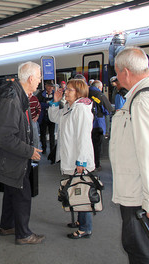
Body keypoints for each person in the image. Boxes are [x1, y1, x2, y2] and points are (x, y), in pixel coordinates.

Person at [0, 61, 45, 245]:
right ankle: (23, 234)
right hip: (11, 159)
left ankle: (7, 226)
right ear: (31, 78)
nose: (40, 81)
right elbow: (5, 137)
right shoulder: (12, 100)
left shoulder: (16, 95)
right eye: (39, 77)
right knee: (22, 195)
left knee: (11, 191)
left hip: (9, 158)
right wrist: (29, 150)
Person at [110, 47, 149, 264]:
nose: (117, 78)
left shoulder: (142, 101)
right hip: (139, 192)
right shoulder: (141, 96)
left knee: (142, 252)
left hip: (140, 196)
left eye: (117, 73)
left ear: (125, 72)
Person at [48, 79, 95, 239]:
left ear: (79, 92)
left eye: (69, 90)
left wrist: (81, 161)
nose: (65, 92)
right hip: (71, 157)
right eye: (66, 89)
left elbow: (84, 137)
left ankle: (85, 228)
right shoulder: (70, 107)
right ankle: (79, 221)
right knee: (76, 190)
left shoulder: (81, 109)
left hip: (78, 160)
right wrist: (55, 102)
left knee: (82, 191)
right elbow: (55, 119)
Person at [90, 80, 111, 171]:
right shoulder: (99, 95)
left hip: (87, 123)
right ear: (99, 87)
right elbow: (107, 109)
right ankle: (96, 164)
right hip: (98, 123)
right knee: (97, 146)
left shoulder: (86, 92)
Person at [37, 81, 55, 154]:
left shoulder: (55, 94)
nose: (50, 88)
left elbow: (57, 104)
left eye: (52, 86)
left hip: (52, 117)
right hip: (43, 117)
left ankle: (52, 149)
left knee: (52, 134)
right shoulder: (40, 94)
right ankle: (44, 149)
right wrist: (49, 104)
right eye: (49, 86)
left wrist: (47, 104)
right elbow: (38, 104)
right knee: (43, 133)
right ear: (45, 86)